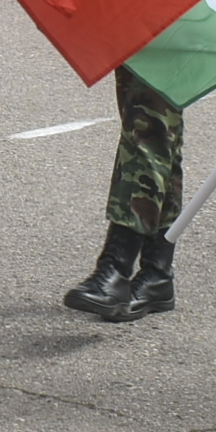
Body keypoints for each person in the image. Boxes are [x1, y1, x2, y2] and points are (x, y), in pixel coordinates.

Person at [62, 70, 186, 321]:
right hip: (146, 34)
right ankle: (156, 273)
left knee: (146, 130)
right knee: (157, 130)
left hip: (173, 35)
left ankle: (115, 268)